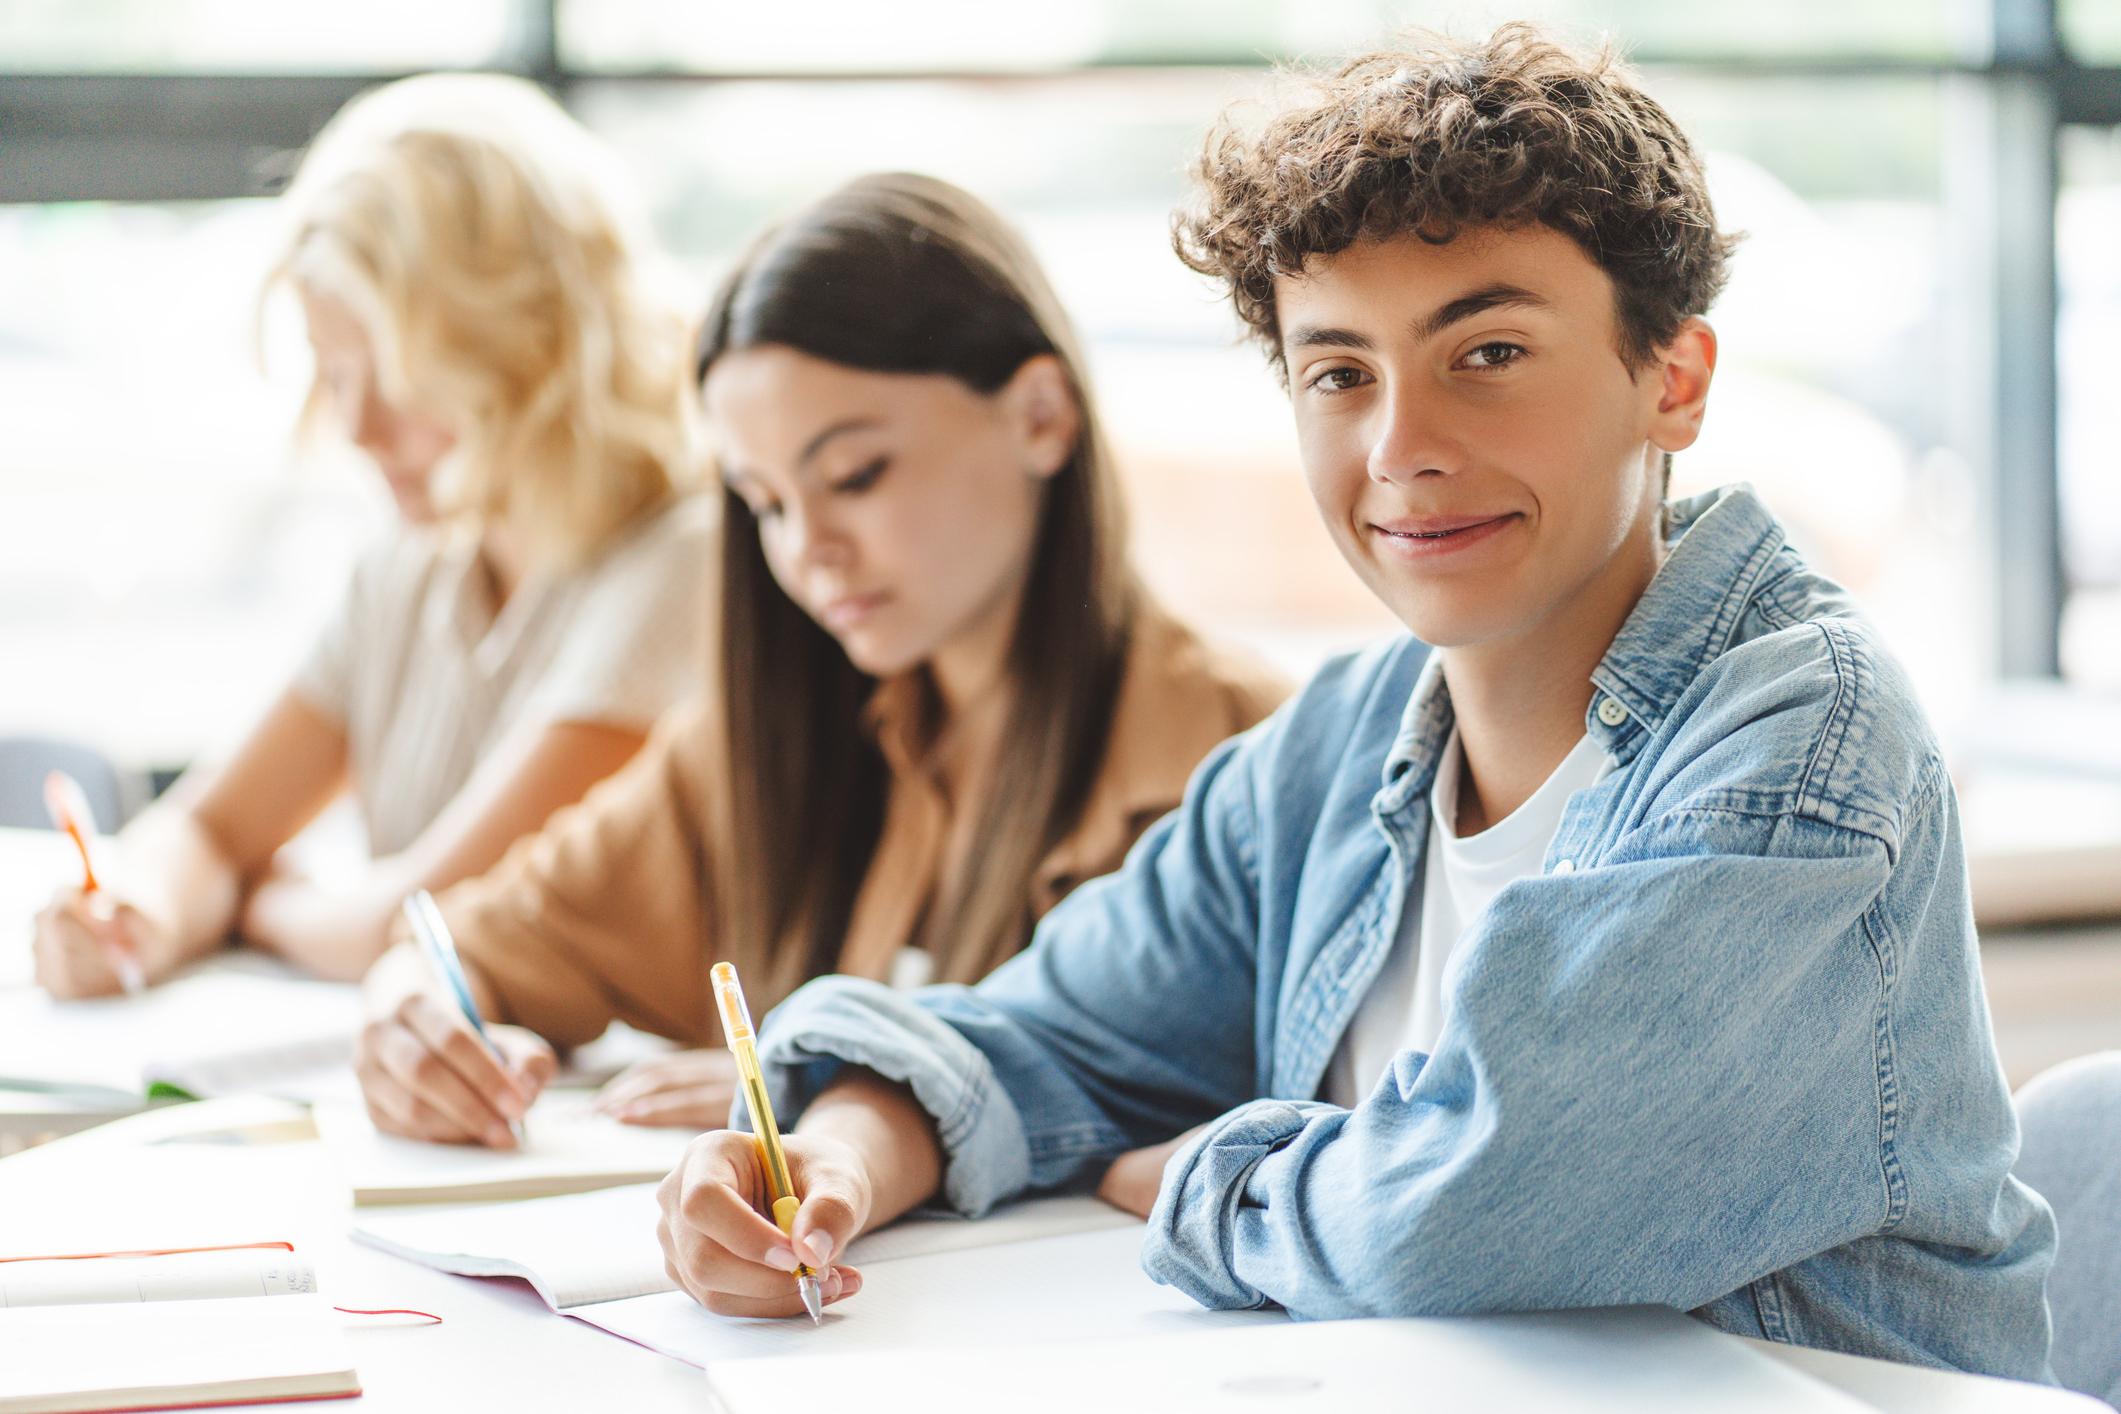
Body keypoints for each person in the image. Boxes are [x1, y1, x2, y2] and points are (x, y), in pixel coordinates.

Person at [652, 25, 2057, 1380]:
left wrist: (1180, 1168)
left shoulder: (1798, 737)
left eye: (1486, 353)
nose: (1401, 446)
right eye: (1338, 372)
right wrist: (832, 1156)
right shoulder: (1335, 747)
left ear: (1670, 381)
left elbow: (1474, 1204)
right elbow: (1036, 1037)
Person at [350, 172, 1289, 1149]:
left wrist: (834, 1078)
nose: (807, 548)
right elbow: (478, 942)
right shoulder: (771, 735)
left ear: (1042, 416)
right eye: (765, 502)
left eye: (854, 475)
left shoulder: (1246, 753)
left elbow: (1259, 1124)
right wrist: (412, 1014)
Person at [31, 74, 708, 996]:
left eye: (385, 372)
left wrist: (258, 901)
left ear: (512, 344)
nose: (352, 428)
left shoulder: (683, 560)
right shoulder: (417, 559)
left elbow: (422, 922)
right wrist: (136, 913)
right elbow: (207, 830)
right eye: (334, 374)